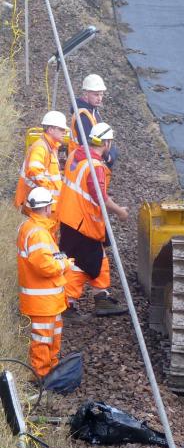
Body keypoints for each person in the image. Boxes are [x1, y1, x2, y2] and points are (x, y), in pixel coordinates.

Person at [58, 123, 129, 318]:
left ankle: (101, 297)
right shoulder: (95, 166)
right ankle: (67, 305)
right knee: (81, 264)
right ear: (106, 142)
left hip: (69, 218)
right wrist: (120, 212)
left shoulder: (76, 155)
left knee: (98, 258)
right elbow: (100, 196)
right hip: (83, 223)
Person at [17, 187, 68, 378]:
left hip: (48, 300)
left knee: (51, 338)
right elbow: (45, 266)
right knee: (43, 340)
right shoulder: (37, 233)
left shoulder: (32, 228)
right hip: (43, 301)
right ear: (47, 208)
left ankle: (51, 371)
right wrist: (64, 264)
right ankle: (42, 376)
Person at [14, 110, 67, 225]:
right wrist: (49, 190)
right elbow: (34, 170)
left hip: (44, 204)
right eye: (61, 129)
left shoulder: (50, 147)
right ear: (51, 129)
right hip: (37, 205)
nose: (65, 132)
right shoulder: (41, 147)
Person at [68, 73, 117, 167]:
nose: (99, 98)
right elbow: (89, 144)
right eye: (96, 95)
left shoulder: (92, 110)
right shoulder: (83, 117)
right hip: (83, 161)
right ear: (86, 94)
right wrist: (109, 157)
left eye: (101, 95)